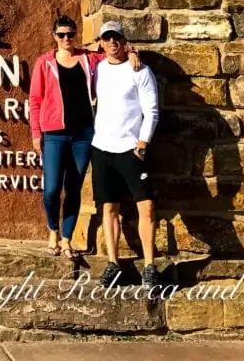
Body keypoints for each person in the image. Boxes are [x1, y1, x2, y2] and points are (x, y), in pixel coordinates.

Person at [28, 15, 140, 258]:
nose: (66, 38)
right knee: (51, 188)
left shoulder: (89, 58)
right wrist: (36, 134)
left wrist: (132, 52)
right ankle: (52, 229)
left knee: (74, 187)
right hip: (54, 133)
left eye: (70, 34)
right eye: (61, 35)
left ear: (75, 34)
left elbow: (114, 52)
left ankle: (66, 239)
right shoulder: (44, 62)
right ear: (54, 36)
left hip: (83, 133)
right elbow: (35, 100)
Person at [90, 20, 160, 289]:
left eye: (116, 37)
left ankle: (150, 266)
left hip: (131, 149)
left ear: (124, 40)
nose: (112, 42)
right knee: (109, 207)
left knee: (147, 207)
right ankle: (113, 263)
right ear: (101, 42)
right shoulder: (96, 69)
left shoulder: (140, 70)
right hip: (102, 148)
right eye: (107, 38)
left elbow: (151, 110)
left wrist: (142, 144)